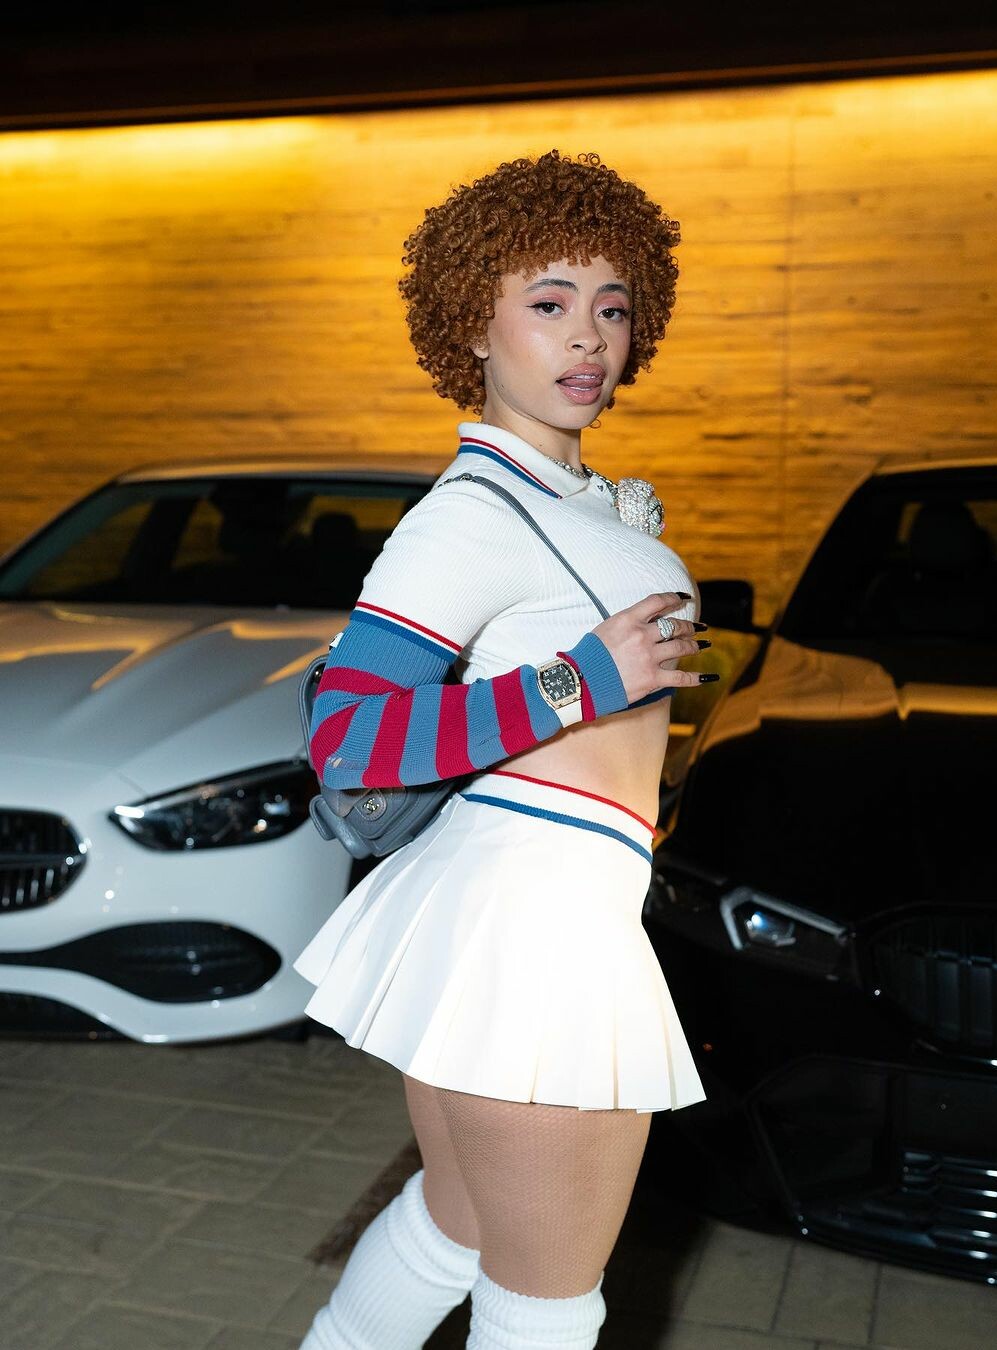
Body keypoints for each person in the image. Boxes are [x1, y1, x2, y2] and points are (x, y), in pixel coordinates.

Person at [293, 148, 717, 1350]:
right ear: (472, 328)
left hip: (521, 909)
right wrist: (577, 683)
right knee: (545, 1306)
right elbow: (348, 737)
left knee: (459, 1232)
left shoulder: (566, 499)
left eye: (612, 307)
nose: (588, 336)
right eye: (548, 302)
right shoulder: (473, 516)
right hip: (534, 932)